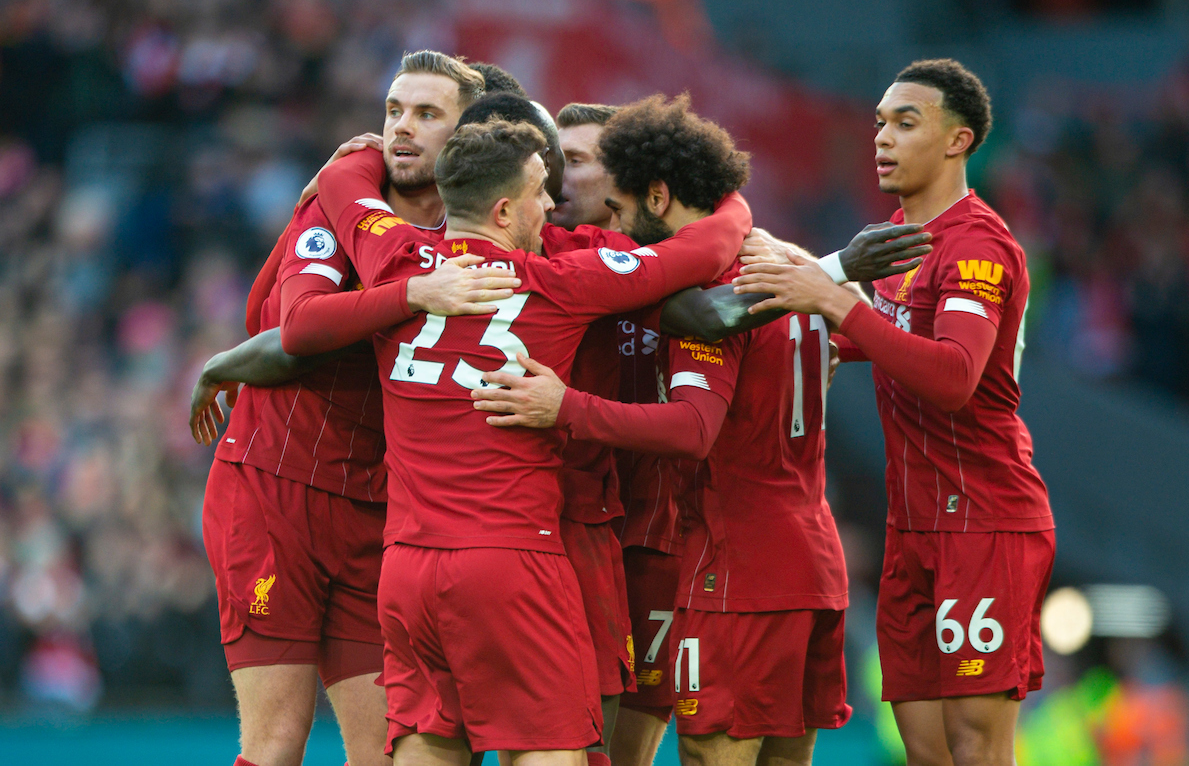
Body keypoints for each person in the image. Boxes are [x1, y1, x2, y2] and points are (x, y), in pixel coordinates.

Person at [278, 119, 751, 765]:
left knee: (429, 749)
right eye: (539, 192)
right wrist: (734, 196)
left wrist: (365, 152)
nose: (552, 205)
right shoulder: (557, 284)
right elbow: (705, 253)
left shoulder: (394, 261)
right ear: (505, 210)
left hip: (408, 568)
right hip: (510, 563)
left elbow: (340, 185)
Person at [470, 96, 862, 766]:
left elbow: (692, 427)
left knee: (700, 754)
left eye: (596, 175)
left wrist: (563, 406)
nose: (570, 185)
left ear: (656, 192)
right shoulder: (790, 264)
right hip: (809, 558)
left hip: (727, 561)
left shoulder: (707, 288)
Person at [191, 51, 516, 766]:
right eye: (394, 110)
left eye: (427, 115)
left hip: (379, 513)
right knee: (277, 743)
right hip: (273, 491)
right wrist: (409, 291)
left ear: (469, 137)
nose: (401, 129)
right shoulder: (347, 197)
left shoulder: (490, 236)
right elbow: (279, 321)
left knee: (383, 752)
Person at [731, 59, 1055, 766]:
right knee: (927, 750)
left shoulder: (976, 245)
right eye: (879, 121)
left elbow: (953, 376)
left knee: (975, 745)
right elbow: (898, 338)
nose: (882, 137)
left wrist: (835, 301)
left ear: (957, 141)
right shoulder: (898, 239)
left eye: (906, 123)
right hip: (912, 524)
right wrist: (831, 338)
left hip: (984, 519)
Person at [553, 103, 619, 231]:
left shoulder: (659, 249)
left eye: (574, 161)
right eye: (553, 160)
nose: (552, 174)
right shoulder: (515, 246)